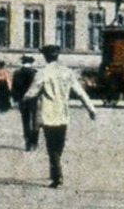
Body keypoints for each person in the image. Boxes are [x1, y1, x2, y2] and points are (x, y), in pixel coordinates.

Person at [24, 44, 97, 188]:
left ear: (45, 57)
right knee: (59, 145)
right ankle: (56, 170)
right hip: (63, 114)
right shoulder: (67, 72)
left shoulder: (42, 73)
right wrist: (91, 109)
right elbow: (80, 92)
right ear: (57, 56)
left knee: (52, 147)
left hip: (48, 114)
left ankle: (57, 174)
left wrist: (23, 100)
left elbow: (32, 92)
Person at [12, 54, 41, 151]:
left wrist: (15, 100)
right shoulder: (35, 73)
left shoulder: (17, 73)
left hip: (22, 100)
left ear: (22, 62)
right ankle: (34, 142)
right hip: (34, 100)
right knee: (35, 121)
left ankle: (27, 143)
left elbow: (14, 89)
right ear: (31, 62)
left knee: (25, 121)